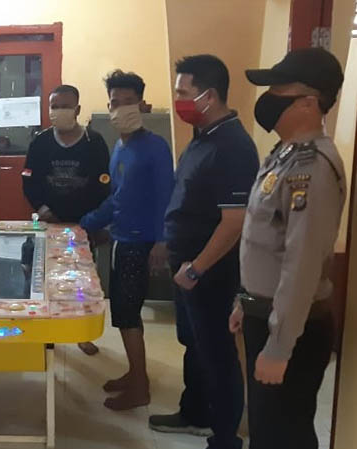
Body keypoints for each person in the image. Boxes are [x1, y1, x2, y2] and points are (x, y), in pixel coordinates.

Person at [229, 48, 345, 449]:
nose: (269, 98)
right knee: (267, 431)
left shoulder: (312, 168)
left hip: (293, 328)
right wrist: (245, 300)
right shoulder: (285, 155)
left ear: (309, 102)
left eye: (279, 90)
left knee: (284, 436)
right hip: (267, 314)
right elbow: (264, 243)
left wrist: (279, 348)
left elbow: (302, 264)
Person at [148, 55, 259, 449]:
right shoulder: (203, 138)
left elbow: (234, 221)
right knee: (193, 345)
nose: (178, 100)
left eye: (183, 92)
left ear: (209, 96)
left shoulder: (232, 147)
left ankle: (225, 437)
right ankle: (194, 413)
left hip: (211, 272)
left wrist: (196, 269)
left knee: (217, 355)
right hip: (188, 266)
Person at [80, 70, 174, 410]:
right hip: (121, 238)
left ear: (143, 105)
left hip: (141, 242)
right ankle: (135, 374)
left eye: (128, 102)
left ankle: (140, 387)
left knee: (127, 313)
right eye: (115, 103)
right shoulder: (120, 147)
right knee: (122, 311)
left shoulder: (155, 147)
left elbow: (166, 197)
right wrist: (88, 223)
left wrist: (162, 242)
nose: (120, 109)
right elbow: (116, 198)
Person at [22, 84, 110, 224]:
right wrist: (42, 209)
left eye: (65, 107)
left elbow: (103, 183)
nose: (59, 111)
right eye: (54, 107)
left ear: (77, 110)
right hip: (48, 220)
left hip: (86, 221)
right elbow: (29, 180)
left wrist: (94, 218)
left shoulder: (94, 141)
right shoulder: (40, 142)